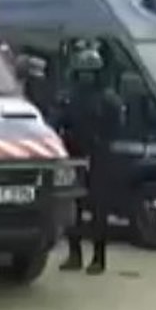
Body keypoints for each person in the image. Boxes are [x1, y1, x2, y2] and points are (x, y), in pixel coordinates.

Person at [57, 42, 126, 275]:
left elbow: (117, 127)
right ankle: (74, 255)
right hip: (75, 155)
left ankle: (98, 258)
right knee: (73, 208)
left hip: (99, 157)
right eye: (83, 73)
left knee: (99, 210)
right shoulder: (70, 97)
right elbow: (58, 122)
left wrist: (102, 144)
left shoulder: (108, 99)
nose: (86, 77)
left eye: (90, 73)